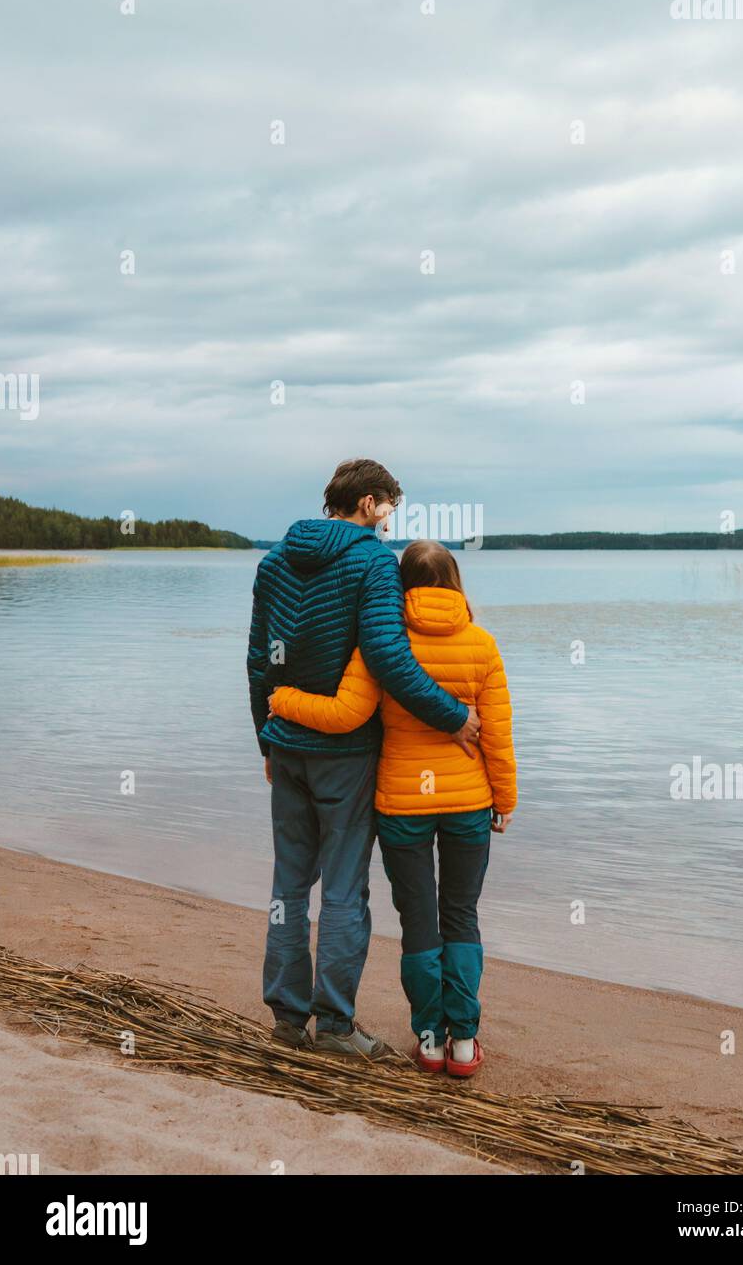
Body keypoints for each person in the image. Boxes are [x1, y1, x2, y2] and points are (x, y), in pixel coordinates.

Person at [247, 461, 480, 1060]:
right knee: (345, 891)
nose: (390, 519)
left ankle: (286, 1019)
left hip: (287, 744)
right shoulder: (375, 562)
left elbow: (259, 661)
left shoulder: (274, 561)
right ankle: (334, 1025)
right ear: (370, 503)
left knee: (288, 885)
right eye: (390, 507)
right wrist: (454, 717)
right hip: (345, 754)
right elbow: (387, 656)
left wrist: (266, 741)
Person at [268, 539, 516, 1077]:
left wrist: (282, 699)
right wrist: (505, 797)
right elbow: (497, 735)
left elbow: (345, 713)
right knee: (461, 916)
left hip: (403, 806)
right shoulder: (483, 645)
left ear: (401, 586)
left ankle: (429, 1041)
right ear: (456, 582)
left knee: (419, 921)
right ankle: (464, 1044)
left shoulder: (383, 643)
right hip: (469, 804)